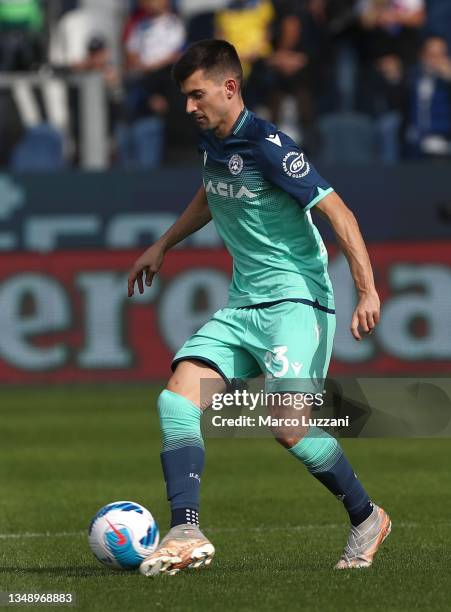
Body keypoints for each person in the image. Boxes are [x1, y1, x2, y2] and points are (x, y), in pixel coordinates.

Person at [128, 39, 391, 576]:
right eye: (184, 96)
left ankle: (367, 518)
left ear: (230, 88)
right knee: (176, 401)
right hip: (243, 304)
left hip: (296, 300)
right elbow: (212, 191)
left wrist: (367, 290)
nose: (188, 107)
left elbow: (340, 214)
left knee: (287, 425)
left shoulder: (270, 145)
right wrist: (163, 244)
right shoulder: (214, 144)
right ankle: (185, 529)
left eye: (196, 95)